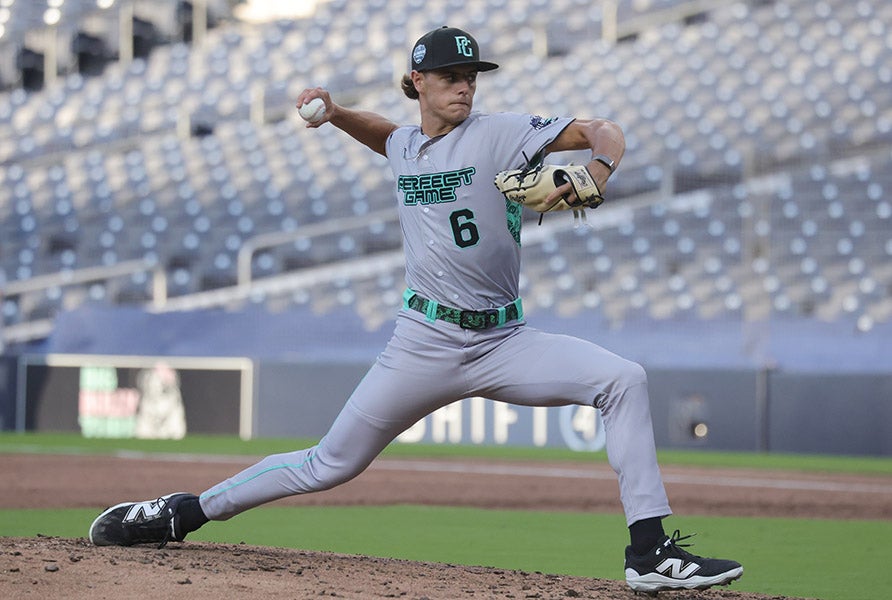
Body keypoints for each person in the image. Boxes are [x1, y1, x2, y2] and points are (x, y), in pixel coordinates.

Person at [89, 26, 742, 593]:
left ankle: (650, 553)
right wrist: (339, 113)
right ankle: (182, 513)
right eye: (451, 76)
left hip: (502, 341)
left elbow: (602, 128)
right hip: (422, 342)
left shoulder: (501, 134)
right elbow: (390, 138)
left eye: (472, 76)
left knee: (623, 379)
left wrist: (598, 166)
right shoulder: (407, 146)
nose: (465, 86)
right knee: (329, 463)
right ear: (418, 81)